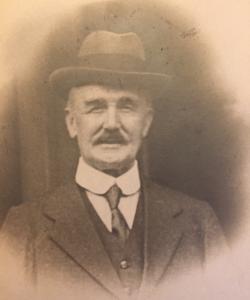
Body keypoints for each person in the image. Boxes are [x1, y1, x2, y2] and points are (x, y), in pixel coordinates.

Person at [0, 28, 227, 300]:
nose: (111, 124)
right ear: (72, 122)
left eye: (126, 106)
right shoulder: (24, 229)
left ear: (146, 122)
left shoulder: (198, 223)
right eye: (96, 106)